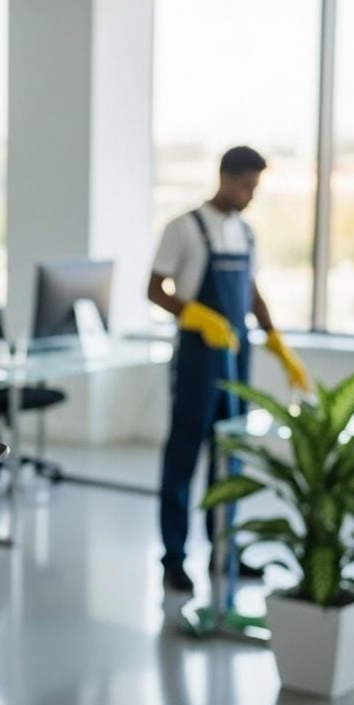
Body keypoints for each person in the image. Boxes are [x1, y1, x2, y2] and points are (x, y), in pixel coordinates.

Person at [147, 146, 311, 594]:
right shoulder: (184, 228)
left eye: (255, 188)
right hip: (198, 359)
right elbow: (154, 289)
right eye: (246, 186)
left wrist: (278, 343)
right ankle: (174, 558)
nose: (250, 196)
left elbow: (253, 294)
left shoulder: (246, 233)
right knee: (183, 458)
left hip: (236, 360)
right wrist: (196, 315)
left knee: (230, 457)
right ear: (225, 177)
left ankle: (224, 551)